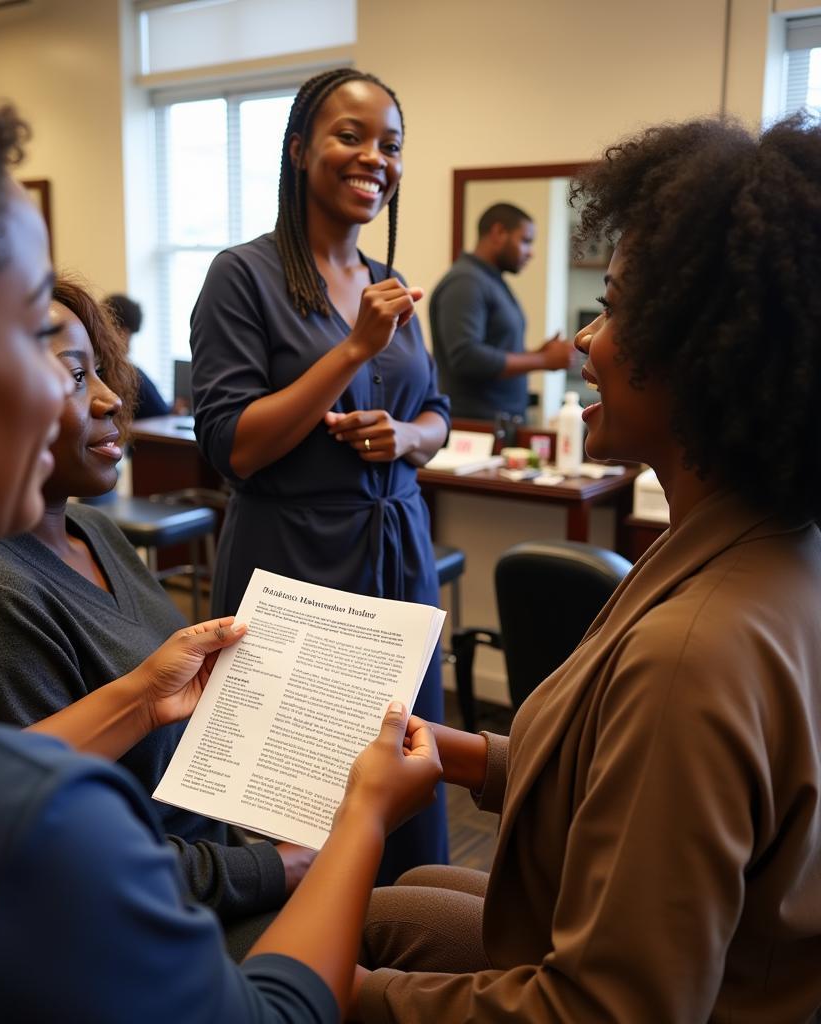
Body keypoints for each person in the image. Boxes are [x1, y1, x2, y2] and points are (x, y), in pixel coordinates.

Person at [0, 28, 442, 1022]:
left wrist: (138, 698)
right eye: (35, 332)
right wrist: (356, 820)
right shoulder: (34, 821)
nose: (93, 396)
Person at [353, 116, 821, 1022]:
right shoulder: (763, 546)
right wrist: (457, 752)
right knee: (401, 900)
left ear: (697, 351)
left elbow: (609, 1009)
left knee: (328, 946)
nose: (583, 339)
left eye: (610, 308)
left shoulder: (694, 655)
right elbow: (616, 755)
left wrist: (322, 995)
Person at [0, 274, 313, 957]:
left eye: (102, 373)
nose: (110, 400)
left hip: (211, 869)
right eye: (75, 378)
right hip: (144, 928)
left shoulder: (92, 531)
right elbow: (61, 857)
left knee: (430, 900)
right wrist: (274, 866)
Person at [189, 68, 451, 886]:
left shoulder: (390, 285)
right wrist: (352, 353)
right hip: (293, 558)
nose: (375, 157)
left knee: (402, 773)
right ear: (300, 149)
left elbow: (439, 414)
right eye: (351, 135)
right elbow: (231, 446)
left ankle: (396, 966)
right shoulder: (244, 276)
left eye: (392, 144)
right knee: (296, 797)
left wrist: (406, 434)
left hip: (397, 556)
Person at [429, 202, 573, 422]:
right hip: (475, 427)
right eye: (525, 241)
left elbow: (493, 349)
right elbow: (466, 356)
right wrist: (543, 360)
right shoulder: (466, 282)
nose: (531, 252)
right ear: (498, 233)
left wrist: (534, 353)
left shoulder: (489, 280)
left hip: (499, 423)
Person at [103, 291, 172, 419]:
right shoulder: (126, 374)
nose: (129, 344)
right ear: (121, 332)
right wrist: (172, 410)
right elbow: (160, 410)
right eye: (129, 335)